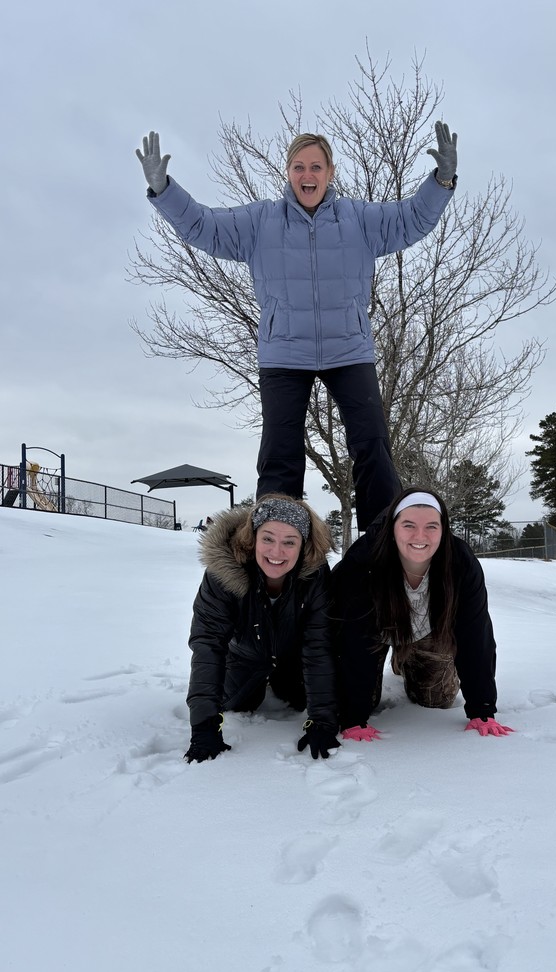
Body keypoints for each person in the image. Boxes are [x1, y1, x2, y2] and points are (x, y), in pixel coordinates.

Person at [135, 123, 458, 530]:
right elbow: (203, 225)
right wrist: (163, 190)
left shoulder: (360, 219)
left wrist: (441, 182)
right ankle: (277, 546)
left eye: (316, 167)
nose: (308, 175)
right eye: (299, 167)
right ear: (288, 172)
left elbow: (411, 219)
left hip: (349, 349)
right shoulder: (261, 222)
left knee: (372, 445)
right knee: (280, 453)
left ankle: (379, 547)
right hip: (284, 354)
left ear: (330, 172)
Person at [330, 486, 514, 739]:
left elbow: (475, 635)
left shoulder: (460, 562)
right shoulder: (363, 561)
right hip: (374, 634)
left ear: (443, 529)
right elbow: (352, 638)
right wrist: (353, 717)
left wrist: (482, 709)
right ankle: (395, 655)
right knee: (364, 702)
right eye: (408, 525)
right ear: (392, 528)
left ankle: (405, 658)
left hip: (428, 630)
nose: (420, 535)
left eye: (431, 526)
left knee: (437, 700)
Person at [184, 494, 340, 762]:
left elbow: (318, 644)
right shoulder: (223, 574)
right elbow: (208, 643)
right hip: (244, 657)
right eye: (268, 539)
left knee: (300, 698)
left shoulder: (315, 575)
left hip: (293, 660)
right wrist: (203, 726)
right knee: (235, 703)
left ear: (303, 546)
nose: (276, 552)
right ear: (252, 538)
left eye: (289, 542)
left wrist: (323, 720)